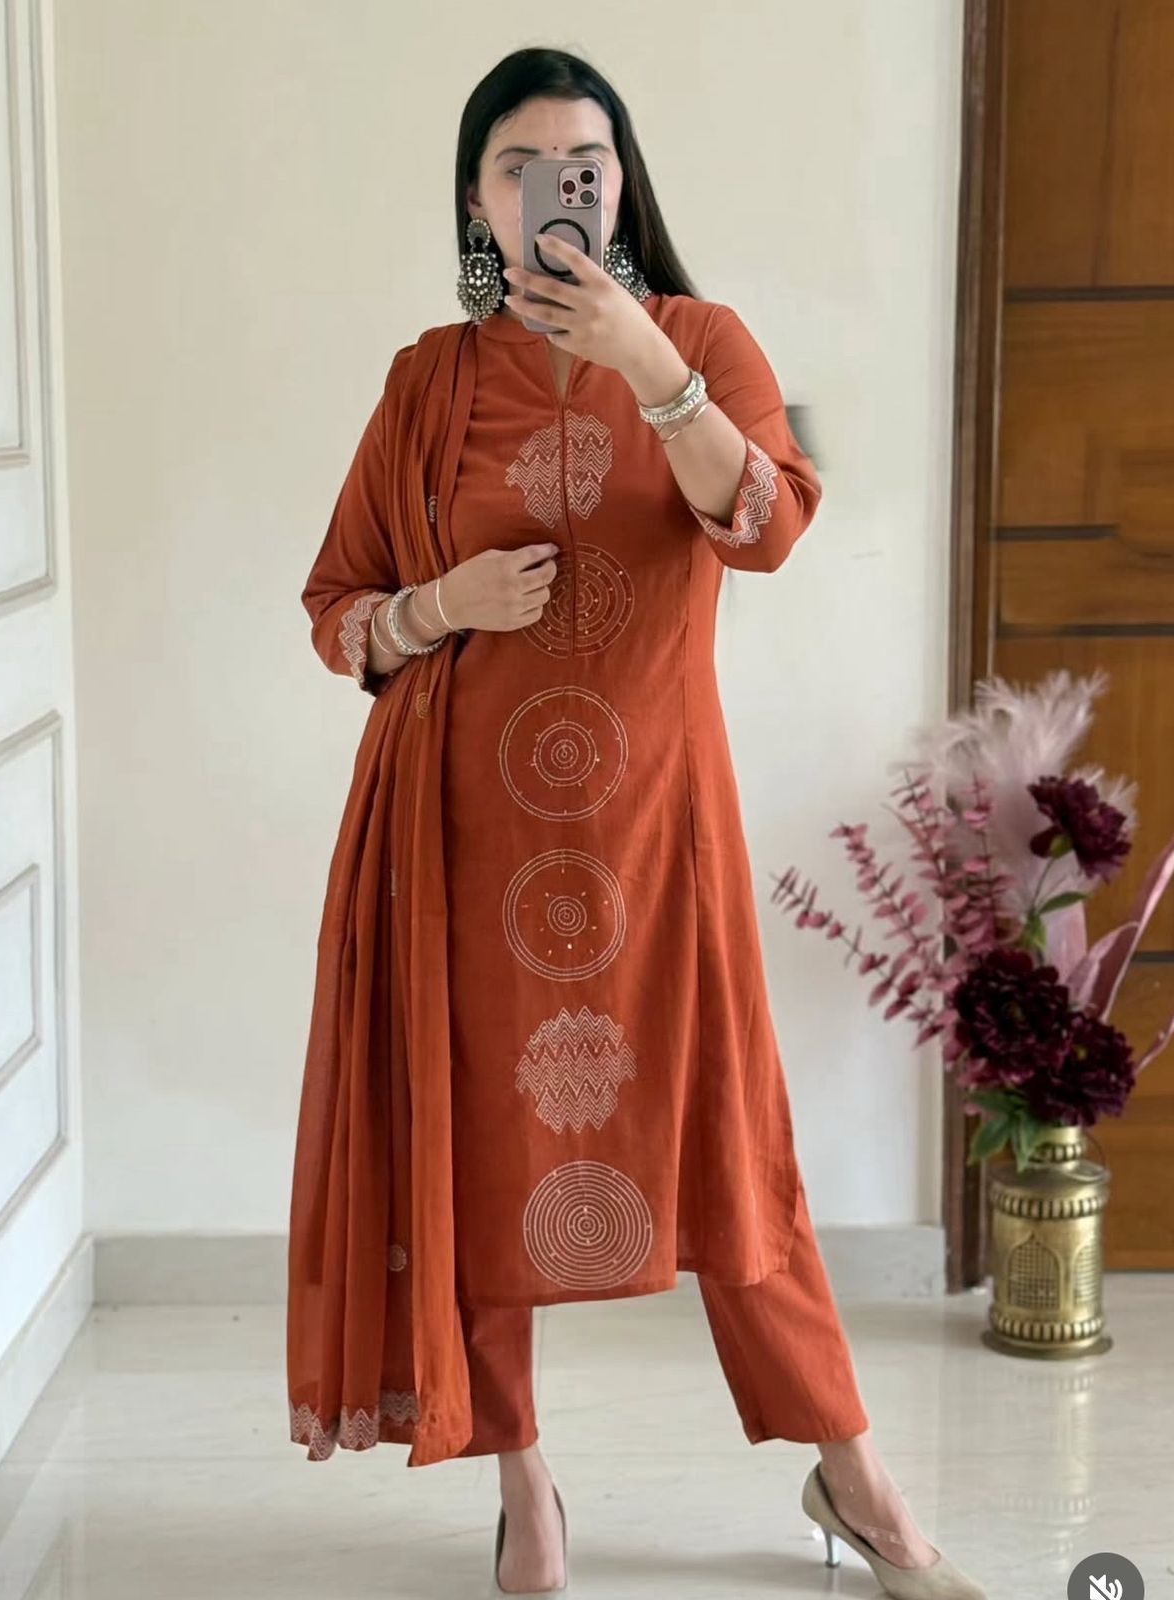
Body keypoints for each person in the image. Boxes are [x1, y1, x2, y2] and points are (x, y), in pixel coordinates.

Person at [287, 45, 985, 1600]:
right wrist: (436, 605)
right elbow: (337, 614)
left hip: (657, 846)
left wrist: (644, 366)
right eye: (526, 165)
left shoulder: (698, 339)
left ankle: (855, 1475)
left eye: (588, 162)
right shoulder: (429, 385)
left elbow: (769, 524)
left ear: (624, 180)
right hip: (464, 863)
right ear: (479, 199)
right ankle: (526, 1493)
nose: (563, 188)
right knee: (474, 1165)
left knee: (735, 1164)